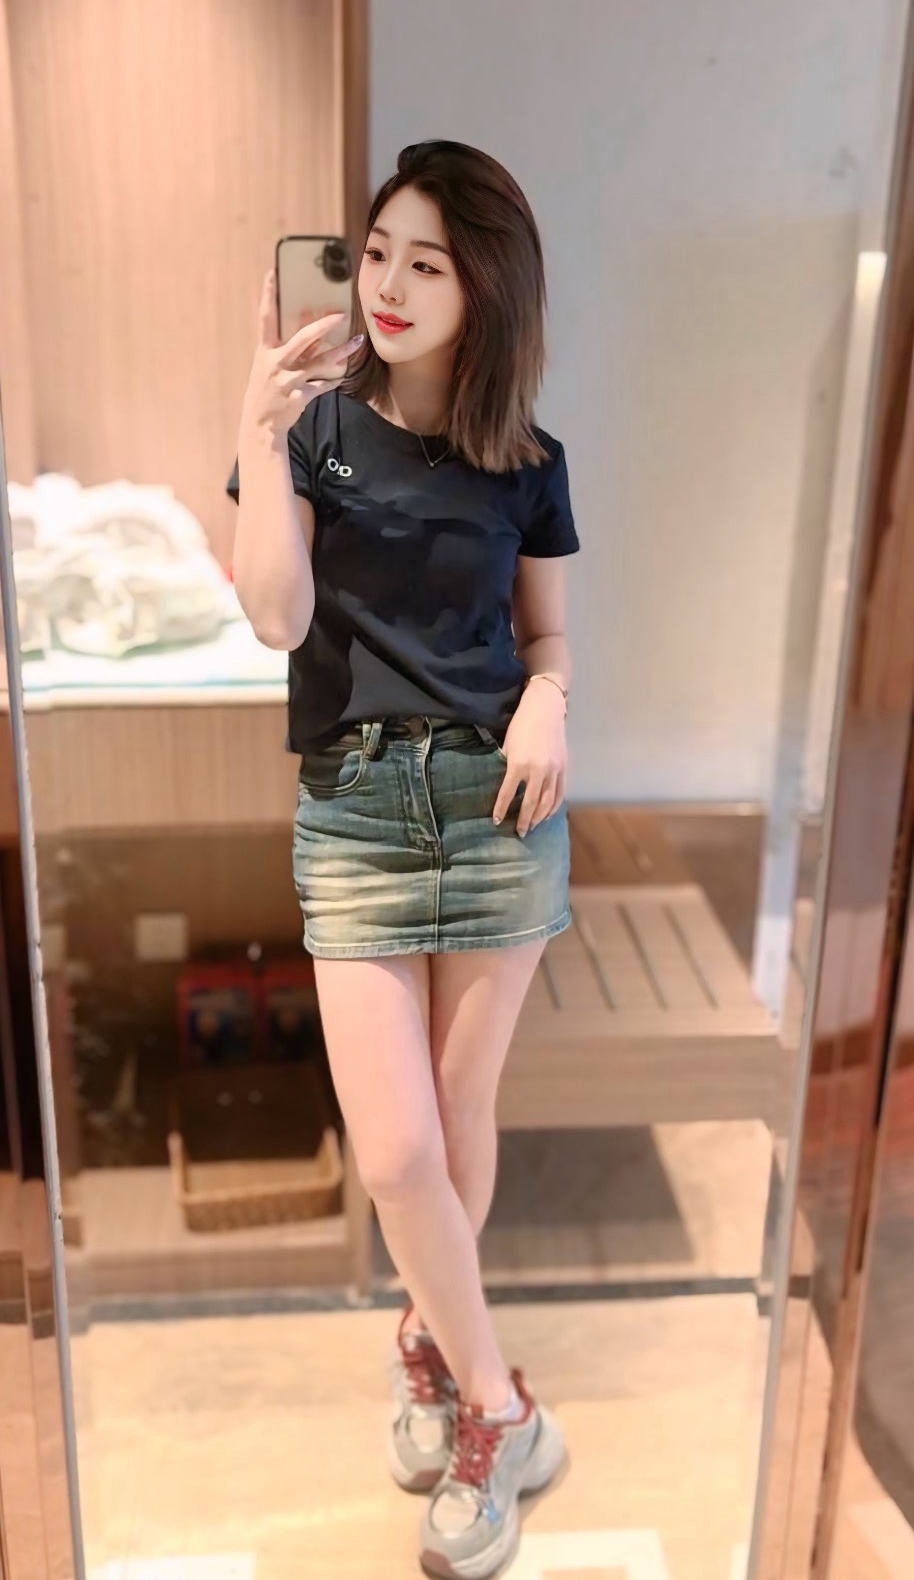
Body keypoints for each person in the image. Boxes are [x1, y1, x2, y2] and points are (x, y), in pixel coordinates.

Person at [227, 139, 580, 1579]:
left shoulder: (527, 458)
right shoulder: (313, 432)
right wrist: (256, 432)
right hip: (359, 809)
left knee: (455, 1119)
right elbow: (274, 616)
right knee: (395, 1151)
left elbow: (546, 634)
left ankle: (432, 1354)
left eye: (425, 263)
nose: (385, 284)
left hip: (497, 804)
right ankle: (501, 1406)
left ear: (483, 285)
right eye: (375, 251)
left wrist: (552, 698)